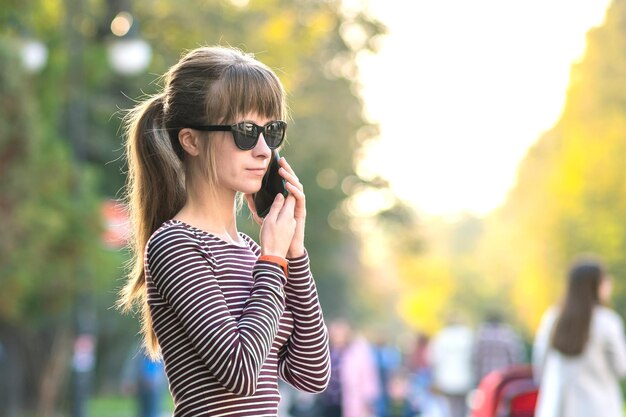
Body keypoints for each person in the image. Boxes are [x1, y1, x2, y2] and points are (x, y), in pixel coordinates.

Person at [116, 45, 331, 417]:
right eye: (246, 132)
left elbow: (311, 373)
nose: (264, 150)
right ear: (191, 140)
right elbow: (241, 371)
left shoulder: (253, 250)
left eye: (272, 131)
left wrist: (294, 254)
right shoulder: (174, 244)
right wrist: (274, 261)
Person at [532, 255, 626, 417]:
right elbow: (622, 368)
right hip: (599, 408)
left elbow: (540, 364)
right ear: (595, 285)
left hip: (557, 408)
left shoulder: (553, 318)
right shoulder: (607, 322)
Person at [317, 319, 380, 417]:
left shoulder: (358, 352)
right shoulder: (327, 350)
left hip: (351, 403)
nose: (337, 334)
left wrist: (368, 402)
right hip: (327, 403)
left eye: (340, 331)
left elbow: (368, 378)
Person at [429, 315, 474, 417]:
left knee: (449, 408)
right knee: (462, 408)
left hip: (447, 379)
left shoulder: (442, 336)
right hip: (464, 378)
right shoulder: (467, 335)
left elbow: (434, 358)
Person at [472, 309, 525, 384]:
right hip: (503, 377)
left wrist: (477, 377)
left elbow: (476, 359)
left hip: (485, 377)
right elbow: (515, 357)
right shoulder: (508, 335)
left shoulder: (481, 334)